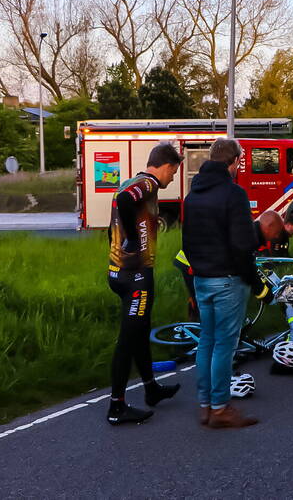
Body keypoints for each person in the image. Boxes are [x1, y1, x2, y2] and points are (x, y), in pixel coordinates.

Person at [182, 138, 264, 429]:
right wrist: (256, 283)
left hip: (202, 278)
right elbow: (243, 246)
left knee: (207, 341)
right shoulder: (234, 194)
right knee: (225, 345)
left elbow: (186, 242)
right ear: (236, 161)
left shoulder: (192, 195)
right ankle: (221, 408)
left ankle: (205, 405)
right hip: (228, 280)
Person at [105, 142, 184, 426]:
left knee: (139, 331)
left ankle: (151, 388)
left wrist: (118, 243)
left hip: (117, 271)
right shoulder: (148, 184)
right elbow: (126, 201)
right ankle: (116, 406)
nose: (172, 178)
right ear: (165, 166)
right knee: (127, 340)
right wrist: (133, 242)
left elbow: (115, 213)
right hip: (136, 275)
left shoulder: (129, 180)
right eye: (173, 172)